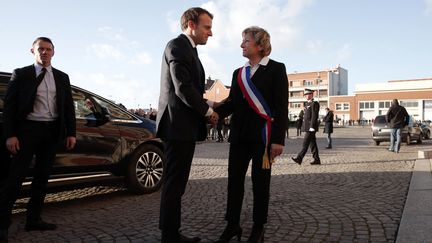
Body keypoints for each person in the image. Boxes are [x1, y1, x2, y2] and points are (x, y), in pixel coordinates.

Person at [214, 26, 288, 243]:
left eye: (246, 41)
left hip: (263, 139)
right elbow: (232, 104)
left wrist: (277, 140)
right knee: (234, 182)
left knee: (260, 183)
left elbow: (281, 107)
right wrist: (209, 113)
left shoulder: (276, 69)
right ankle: (232, 224)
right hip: (238, 137)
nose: (241, 45)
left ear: (260, 45)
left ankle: (258, 226)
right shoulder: (239, 73)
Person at [0, 37, 76, 242]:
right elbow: (9, 108)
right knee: (14, 179)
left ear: (53, 52)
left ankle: (34, 219)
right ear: (32, 51)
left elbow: (68, 106)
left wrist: (71, 133)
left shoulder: (62, 77)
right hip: (27, 131)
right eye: (40, 49)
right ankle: (2, 226)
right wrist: (10, 135)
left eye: (48, 49)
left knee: (42, 178)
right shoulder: (22, 74)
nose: (44, 52)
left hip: (51, 132)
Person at [156, 7, 218, 243]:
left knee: (177, 183)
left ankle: (171, 232)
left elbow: (193, 89)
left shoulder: (189, 50)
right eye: (207, 27)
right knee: (174, 184)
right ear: (191, 25)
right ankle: (169, 236)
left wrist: (212, 102)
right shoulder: (177, 46)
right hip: (177, 126)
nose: (210, 33)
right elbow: (183, 88)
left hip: (184, 126)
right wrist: (209, 112)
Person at [291, 88, 321, 165]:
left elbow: (314, 116)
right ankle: (317, 159)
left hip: (311, 128)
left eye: (308, 94)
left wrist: (312, 126)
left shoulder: (315, 103)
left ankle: (299, 158)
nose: (306, 96)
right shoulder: (307, 104)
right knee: (312, 144)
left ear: (311, 95)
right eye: (306, 94)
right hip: (307, 127)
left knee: (305, 143)